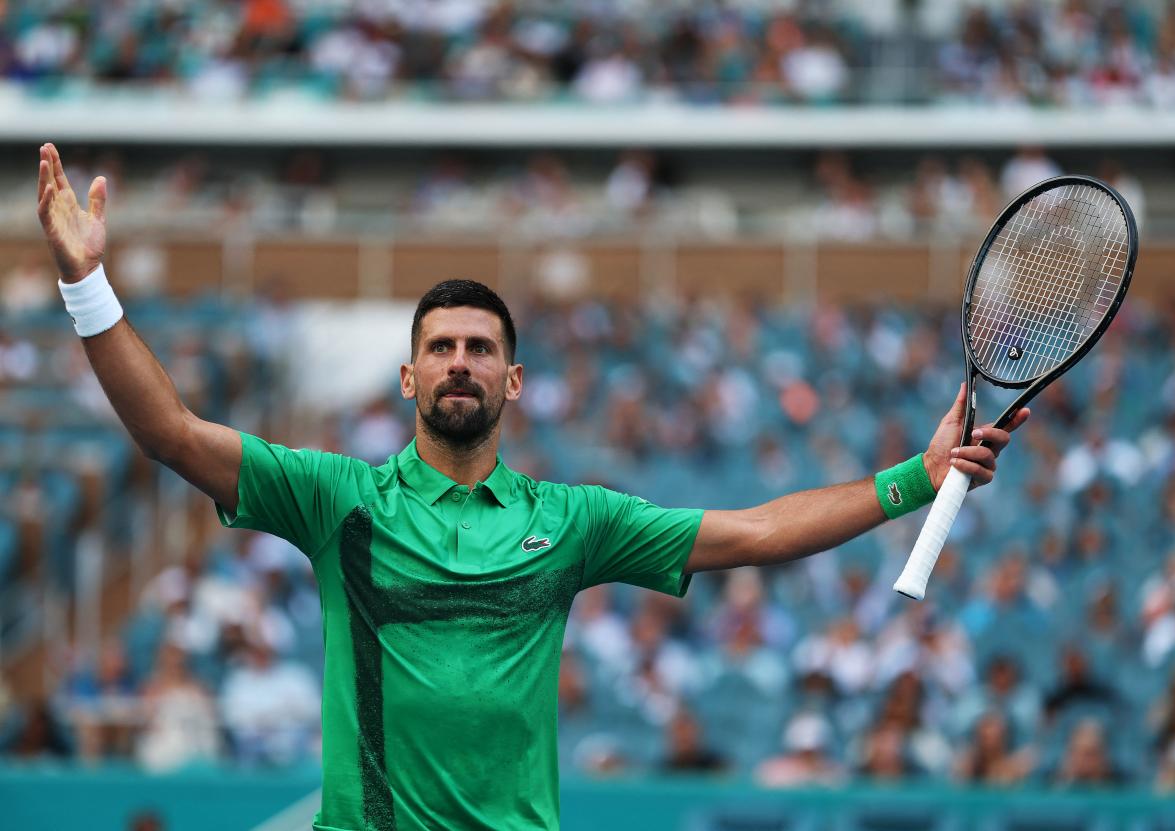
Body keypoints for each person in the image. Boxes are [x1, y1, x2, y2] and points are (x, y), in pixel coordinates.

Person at [35, 142, 1027, 831]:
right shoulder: (339, 502)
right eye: (440, 349)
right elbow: (167, 433)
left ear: (512, 381)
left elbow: (758, 533)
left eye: (480, 349)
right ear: (408, 377)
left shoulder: (573, 522)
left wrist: (914, 478)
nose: (458, 362)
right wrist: (87, 283)